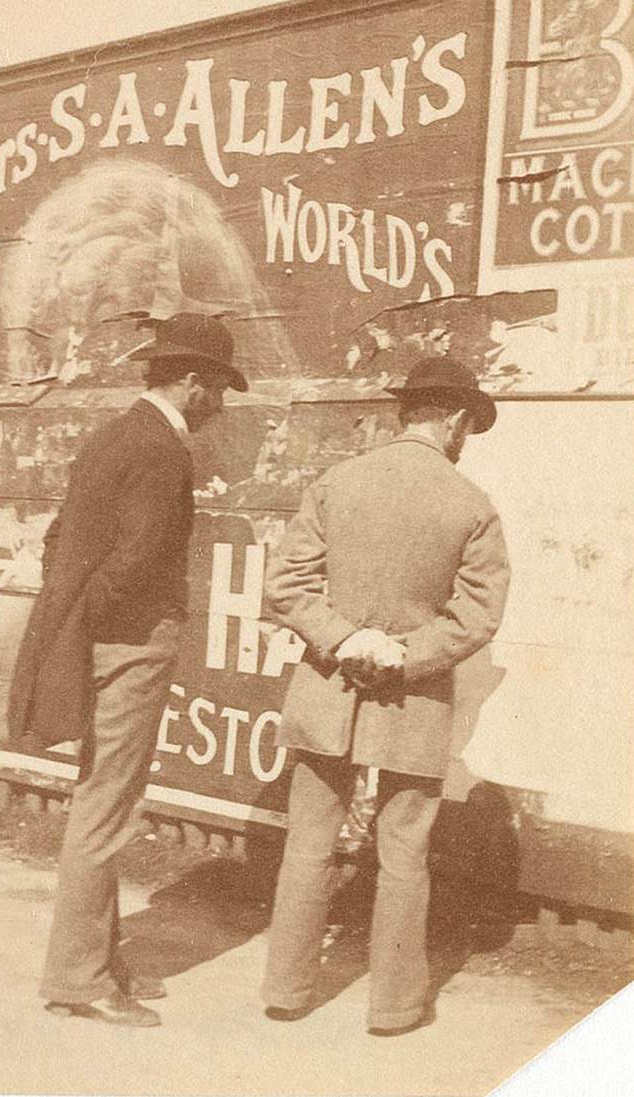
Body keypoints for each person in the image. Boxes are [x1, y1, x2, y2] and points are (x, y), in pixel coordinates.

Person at [9, 312, 246, 1028]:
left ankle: (100, 956)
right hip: (129, 644)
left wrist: (78, 615)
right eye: (219, 389)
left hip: (97, 639)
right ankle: (78, 978)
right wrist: (101, 620)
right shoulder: (163, 450)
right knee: (105, 808)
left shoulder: (113, 434)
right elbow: (137, 557)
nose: (221, 406)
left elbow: (59, 539)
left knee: (99, 797)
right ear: (193, 382)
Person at [261, 357, 510, 1035]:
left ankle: (285, 989)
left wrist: (343, 640)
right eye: (466, 426)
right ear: (454, 419)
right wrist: (404, 654)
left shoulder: (335, 482)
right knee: (403, 852)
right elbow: (478, 616)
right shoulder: (470, 504)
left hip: (326, 686)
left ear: (407, 411)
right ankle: (394, 1006)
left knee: (308, 841)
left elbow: (285, 585)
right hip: (414, 697)